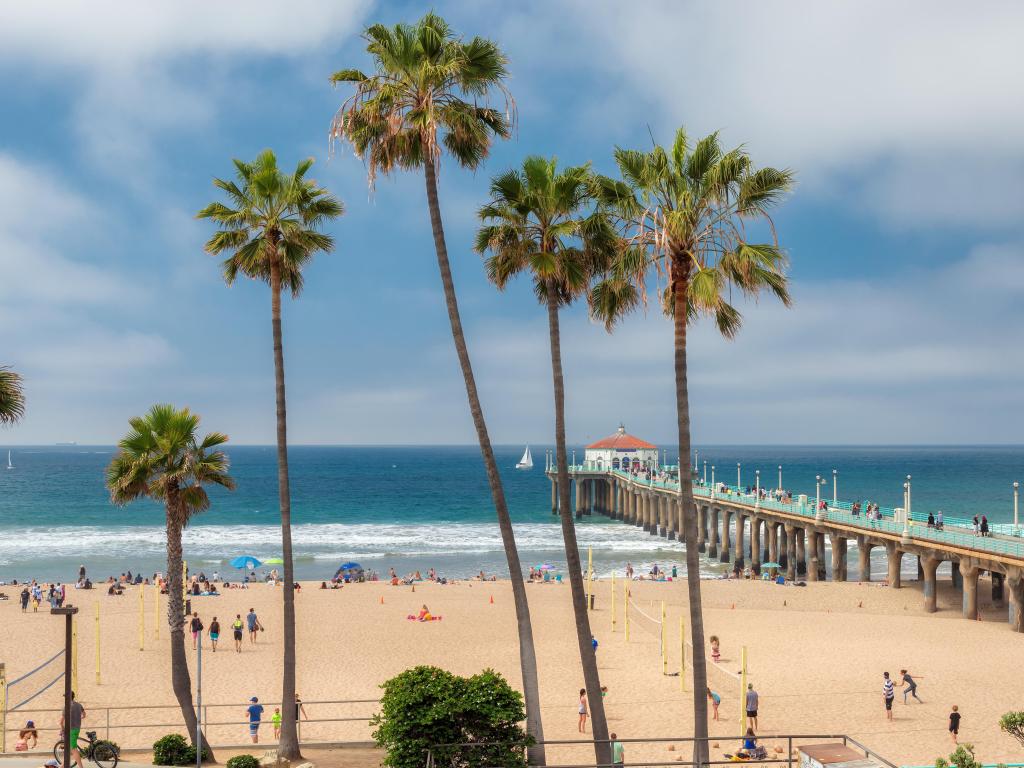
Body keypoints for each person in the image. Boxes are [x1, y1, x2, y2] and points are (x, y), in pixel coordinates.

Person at [59, 691, 85, 768]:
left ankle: (81, 767)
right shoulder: (79, 705)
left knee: (73, 749)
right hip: (77, 728)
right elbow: (84, 714)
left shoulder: (66, 706)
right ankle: (63, 765)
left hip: (70, 730)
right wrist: (78, 718)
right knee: (68, 748)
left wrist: (63, 730)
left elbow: (61, 722)